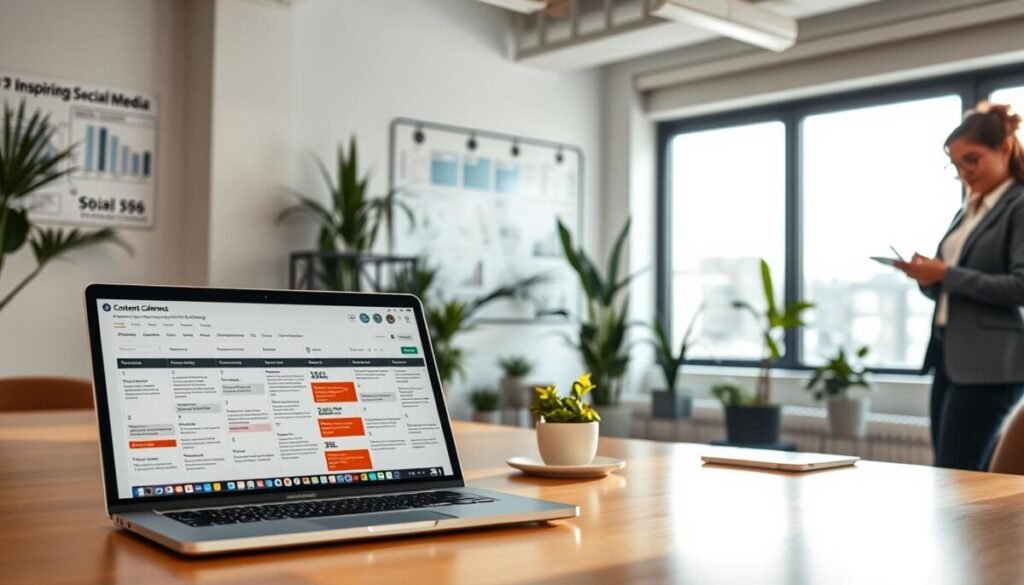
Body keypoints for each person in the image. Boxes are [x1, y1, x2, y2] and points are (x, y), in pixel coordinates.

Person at [897, 102, 1024, 471]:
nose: (964, 172)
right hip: (950, 357)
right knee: (949, 469)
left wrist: (946, 275)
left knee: (962, 474)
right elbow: (950, 284)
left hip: (992, 364)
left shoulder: (1018, 205)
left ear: (1003, 149)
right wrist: (929, 278)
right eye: (955, 165)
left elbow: (1020, 286)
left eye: (971, 160)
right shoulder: (968, 209)